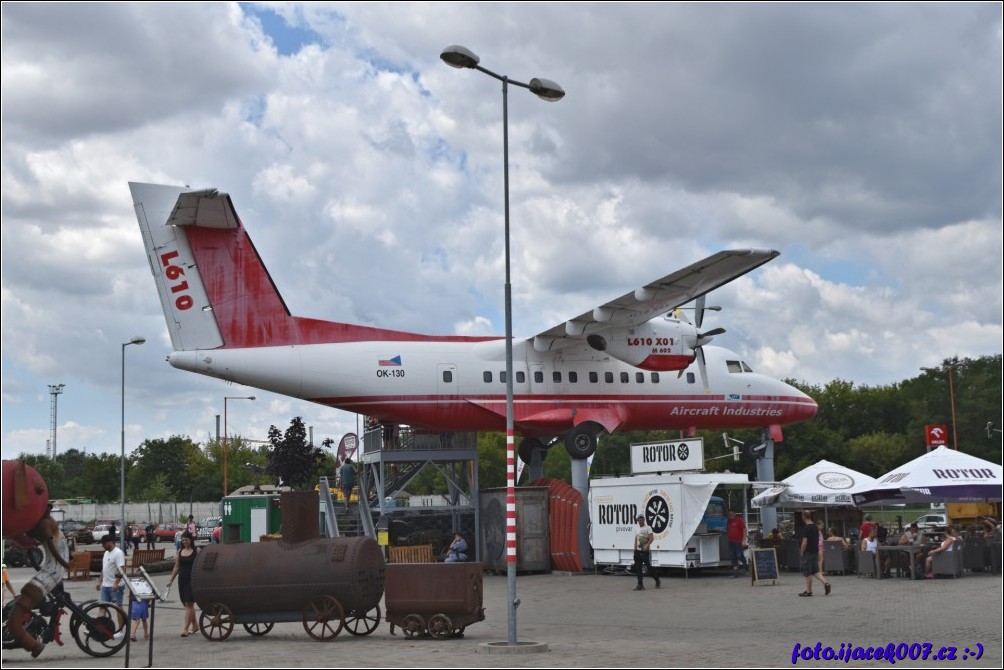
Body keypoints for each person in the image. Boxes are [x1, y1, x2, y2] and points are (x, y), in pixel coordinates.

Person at [6, 507, 71, 657]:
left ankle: (33, 644)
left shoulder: (43, 524)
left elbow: (38, 546)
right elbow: (42, 547)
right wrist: (66, 564)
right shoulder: (44, 524)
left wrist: (64, 563)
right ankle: (34, 645)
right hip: (53, 571)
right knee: (15, 616)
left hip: (52, 571)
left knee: (16, 615)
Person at [167, 531, 199, 636]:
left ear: (191, 540)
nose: (185, 541)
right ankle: (195, 625)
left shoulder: (196, 550)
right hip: (182, 580)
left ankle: (185, 629)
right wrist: (170, 580)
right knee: (186, 604)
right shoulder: (180, 551)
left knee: (189, 603)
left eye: (187, 539)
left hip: (193, 579)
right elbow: (176, 567)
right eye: (183, 540)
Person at [798, 510, 830, 596]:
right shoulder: (816, 528)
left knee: (808, 572)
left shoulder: (806, 528)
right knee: (815, 571)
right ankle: (826, 583)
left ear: (803, 517)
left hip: (808, 552)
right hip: (815, 551)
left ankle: (809, 591)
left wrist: (801, 552)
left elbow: (805, 543)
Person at [632, 515, 661, 591]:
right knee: (638, 569)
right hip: (638, 551)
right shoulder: (636, 528)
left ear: (644, 520)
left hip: (645, 551)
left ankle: (657, 580)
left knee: (649, 568)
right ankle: (640, 584)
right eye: (639, 520)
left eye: (642, 520)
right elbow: (636, 539)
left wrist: (647, 545)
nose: (641, 521)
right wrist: (634, 549)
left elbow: (651, 538)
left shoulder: (648, 528)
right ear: (637, 521)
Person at [97, 533, 126, 607]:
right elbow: (104, 568)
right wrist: (99, 581)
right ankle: (101, 619)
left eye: (104, 544)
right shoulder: (106, 553)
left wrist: (116, 583)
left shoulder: (118, 553)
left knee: (118, 607)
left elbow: (122, 569)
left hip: (115, 585)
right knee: (102, 606)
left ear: (109, 542)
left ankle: (122, 618)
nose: (102, 546)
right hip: (105, 585)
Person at [726, 510, 748, 578]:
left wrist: (744, 540)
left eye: (731, 514)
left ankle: (746, 566)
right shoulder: (728, 521)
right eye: (729, 514)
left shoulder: (739, 520)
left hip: (738, 541)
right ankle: (735, 573)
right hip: (731, 541)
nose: (730, 516)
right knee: (733, 556)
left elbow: (744, 529)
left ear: (735, 514)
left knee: (739, 555)